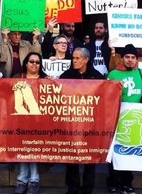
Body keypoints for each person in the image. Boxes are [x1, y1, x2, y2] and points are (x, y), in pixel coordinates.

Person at [106, 44, 142, 194]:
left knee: (130, 150)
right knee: (115, 150)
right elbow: (105, 93)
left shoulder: (140, 73)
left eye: (133, 57)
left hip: (134, 118)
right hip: (116, 118)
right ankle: (113, 182)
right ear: (122, 58)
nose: (130, 60)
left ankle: (127, 183)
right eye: (127, 57)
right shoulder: (113, 74)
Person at [60, 47, 105, 194]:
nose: (74, 61)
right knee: (71, 156)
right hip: (71, 123)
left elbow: (105, 95)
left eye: (78, 58)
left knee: (90, 158)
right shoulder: (66, 75)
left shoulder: (97, 76)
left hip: (90, 124)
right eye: (73, 58)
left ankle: (87, 189)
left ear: (86, 59)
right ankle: (72, 188)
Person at [13, 52, 48, 194]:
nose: (34, 64)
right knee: (22, 149)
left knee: (34, 149)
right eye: (32, 61)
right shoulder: (16, 78)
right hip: (20, 120)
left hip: (39, 120)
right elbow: (3, 92)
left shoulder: (46, 79)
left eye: (37, 62)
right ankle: (21, 180)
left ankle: (34, 180)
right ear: (26, 63)